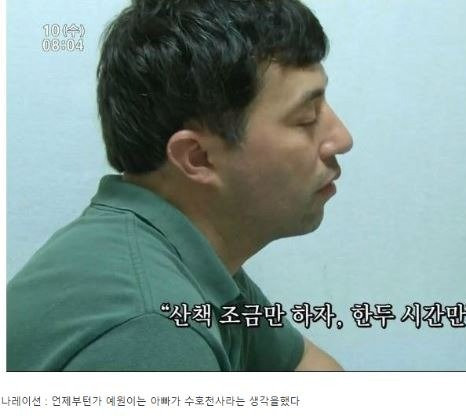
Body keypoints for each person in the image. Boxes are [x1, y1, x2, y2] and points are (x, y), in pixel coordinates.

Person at [7, 0, 352, 371]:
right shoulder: (149, 325)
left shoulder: (187, 254)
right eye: (307, 117)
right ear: (198, 157)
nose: (342, 139)